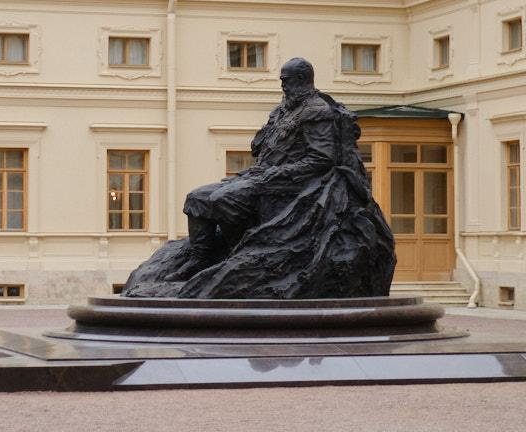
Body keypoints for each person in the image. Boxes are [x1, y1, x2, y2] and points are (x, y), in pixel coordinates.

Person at [121, 57, 395, 299]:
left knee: (221, 200)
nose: (282, 87)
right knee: (197, 197)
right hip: (262, 174)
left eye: (286, 81)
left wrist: (279, 172)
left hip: (290, 182)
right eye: (282, 82)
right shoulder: (284, 109)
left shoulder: (316, 111)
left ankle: (236, 251)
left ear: (301, 80)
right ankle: (200, 258)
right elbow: (262, 146)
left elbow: (320, 159)